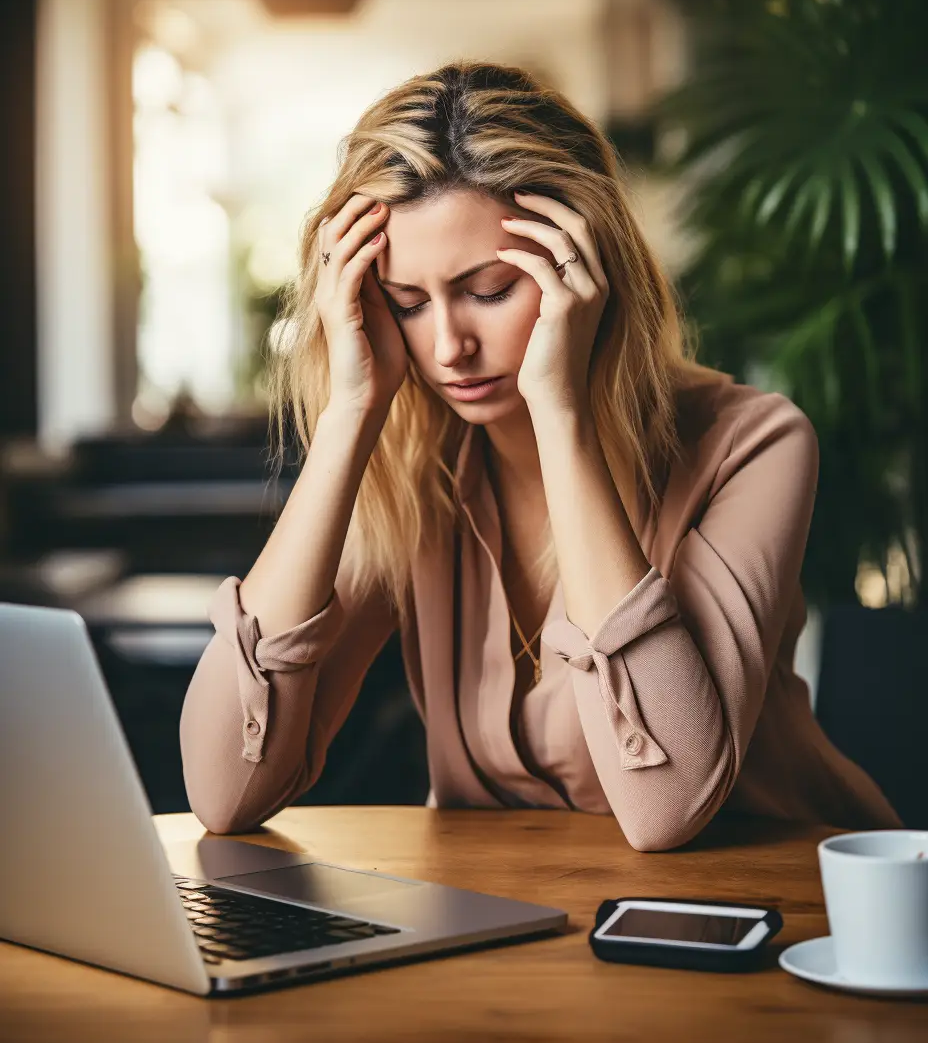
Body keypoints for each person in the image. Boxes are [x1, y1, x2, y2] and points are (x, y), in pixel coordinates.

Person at [179, 60, 900, 850]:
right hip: (523, 926)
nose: (448, 345)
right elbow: (224, 791)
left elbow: (667, 805)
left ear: (586, 270)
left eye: (488, 289)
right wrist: (351, 413)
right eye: (407, 303)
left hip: (781, 912)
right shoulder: (416, 470)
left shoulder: (754, 444)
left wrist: (562, 415)